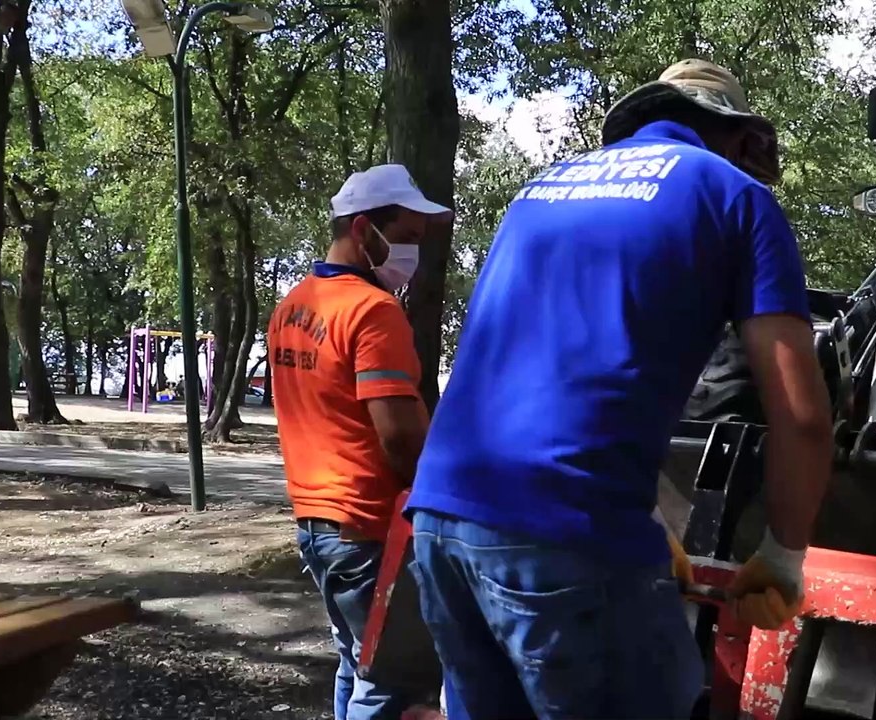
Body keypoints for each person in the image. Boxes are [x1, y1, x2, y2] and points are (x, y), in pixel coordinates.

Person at [405, 59, 835, 719]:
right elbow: (802, 417)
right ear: (735, 134)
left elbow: (569, 369)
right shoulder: (735, 194)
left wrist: (652, 526)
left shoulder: (540, 189)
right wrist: (783, 553)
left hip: (442, 521)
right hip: (567, 531)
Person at [268, 164, 451, 720]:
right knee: (394, 682)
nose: (413, 253)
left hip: (316, 524)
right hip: (370, 528)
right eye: (409, 237)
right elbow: (400, 437)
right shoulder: (373, 310)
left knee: (356, 662)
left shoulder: (293, 305)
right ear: (365, 228)